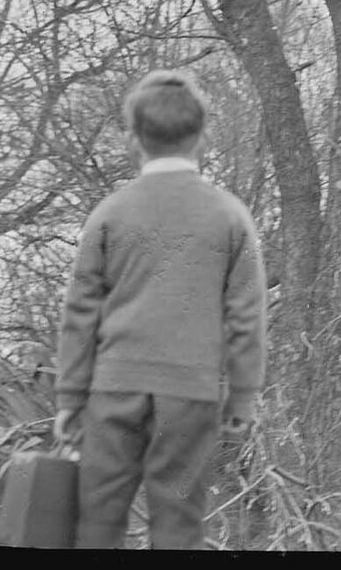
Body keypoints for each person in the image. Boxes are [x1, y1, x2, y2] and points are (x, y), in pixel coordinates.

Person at [53, 70, 267, 550]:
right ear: (203, 136)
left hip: (113, 390)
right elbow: (246, 316)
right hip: (191, 396)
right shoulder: (231, 216)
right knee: (178, 528)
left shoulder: (109, 213)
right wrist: (242, 397)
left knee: (98, 523)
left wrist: (69, 397)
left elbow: (80, 312)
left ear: (134, 140)